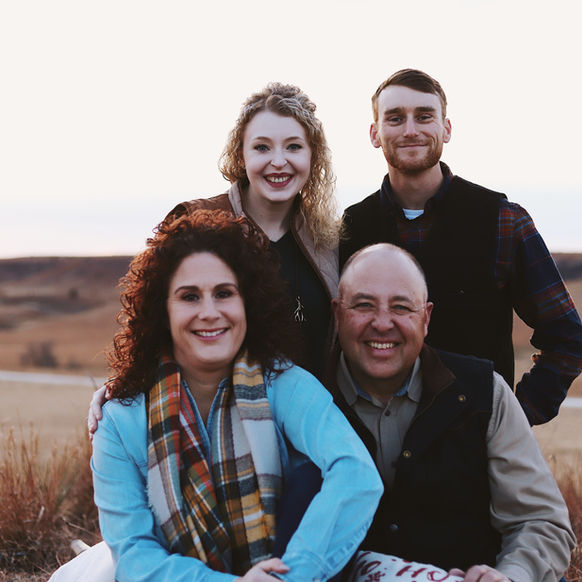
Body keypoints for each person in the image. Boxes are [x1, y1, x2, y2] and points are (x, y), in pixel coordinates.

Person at [55, 210, 382, 582]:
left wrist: (292, 575)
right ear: (163, 310)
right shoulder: (119, 420)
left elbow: (356, 473)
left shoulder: (285, 384)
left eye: (224, 294)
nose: (209, 313)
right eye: (189, 297)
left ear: (247, 303)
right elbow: (133, 556)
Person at [339, 68, 582, 425]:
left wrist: (513, 419)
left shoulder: (503, 219)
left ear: (446, 129)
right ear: (375, 134)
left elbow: (566, 336)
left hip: (475, 447)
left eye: (424, 116)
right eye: (395, 118)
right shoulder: (349, 228)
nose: (410, 130)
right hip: (373, 446)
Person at [330, 243, 575, 582]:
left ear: (426, 318)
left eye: (401, 307)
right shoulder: (306, 401)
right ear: (337, 313)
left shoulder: (484, 393)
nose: (382, 323)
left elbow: (541, 522)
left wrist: (509, 576)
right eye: (363, 305)